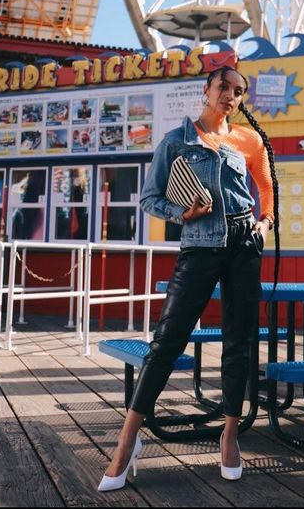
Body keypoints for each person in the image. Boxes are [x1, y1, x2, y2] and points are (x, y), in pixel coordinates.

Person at [98, 66, 280, 491]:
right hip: (199, 245)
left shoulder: (249, 140)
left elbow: (267, 187)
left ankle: (230, 435)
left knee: (239, 341)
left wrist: (265, 223)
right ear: (206, 89)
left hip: (244, 245)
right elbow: (150, 198)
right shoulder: (176, 141)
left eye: (238, 91)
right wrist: (182, 213)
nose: (230, 95)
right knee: (167, 341)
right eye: (224, 87)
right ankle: (127, 440)